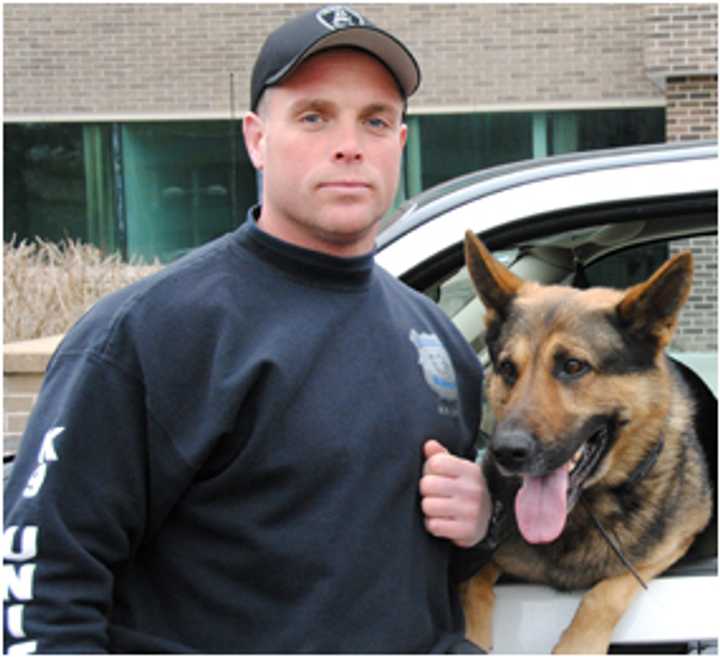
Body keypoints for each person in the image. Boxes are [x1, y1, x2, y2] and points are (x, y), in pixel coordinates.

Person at [3, 6, 492, 653]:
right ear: (257, 138)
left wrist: (483, 520)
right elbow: (44, 583)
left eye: (374, 120)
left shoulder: (439, 343)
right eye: (314, 115)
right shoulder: (149, 335)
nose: (349, 143)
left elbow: (413, 575)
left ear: (399, 144)